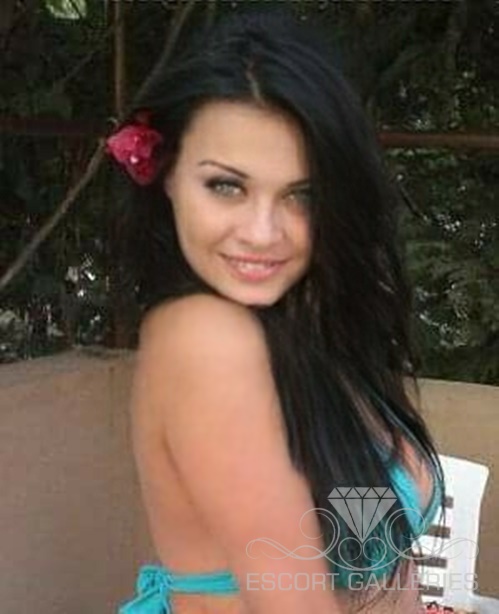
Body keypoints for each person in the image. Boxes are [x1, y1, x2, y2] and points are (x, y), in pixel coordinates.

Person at [106, 6, 446, 614]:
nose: (263, 233)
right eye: (226, 186)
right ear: (168, 175)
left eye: (300, 195)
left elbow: (365, 564)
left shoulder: (307, 327)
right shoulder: (207, 339)